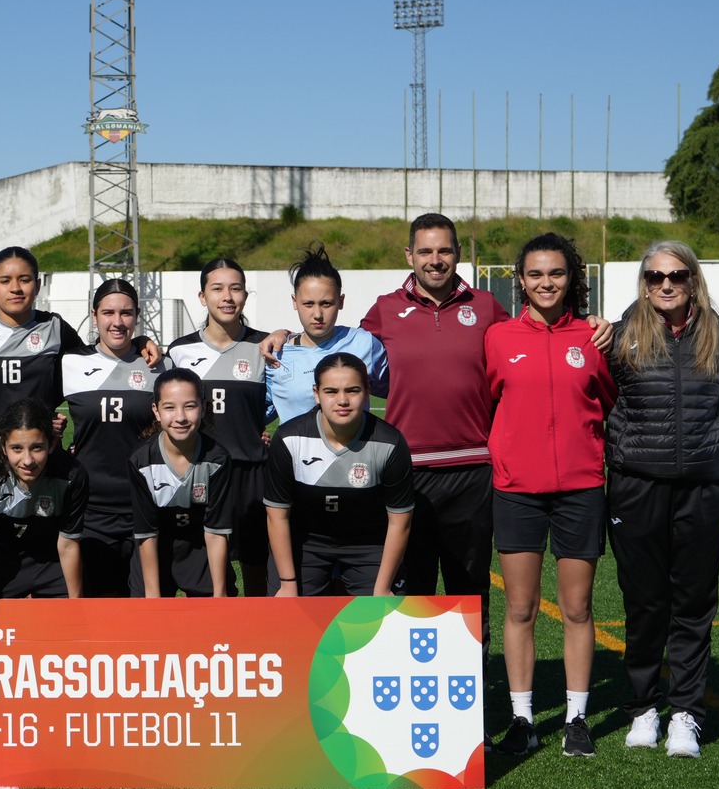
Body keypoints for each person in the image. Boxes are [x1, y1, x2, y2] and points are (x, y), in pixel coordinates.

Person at [485, 233, 615, 759]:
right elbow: (489, 398)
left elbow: (606, 399)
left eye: (556, 274)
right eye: (535, 274)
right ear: (520, 279)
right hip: (516, 490)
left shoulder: (595, 337)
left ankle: (577, 717)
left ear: (571, 279)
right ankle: (522, 719)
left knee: (578, 608)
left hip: (582, 489)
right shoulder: (497, 337)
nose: (546, 283)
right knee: (520, 609)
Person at [606, 242, 719, 760]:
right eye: (655, 275)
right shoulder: (617, 337)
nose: (666, 283)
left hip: (703, 488)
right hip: (637, 485)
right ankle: (643, 707)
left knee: (694, 603)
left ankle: (686, 713)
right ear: (643, 282)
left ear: (692, 279)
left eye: (677, 275)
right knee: (644, 603)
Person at [359, 216, 509, 603]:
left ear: (458, 253)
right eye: (425, 250)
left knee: (470, 591)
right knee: (413, 591)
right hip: (408, 471)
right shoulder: (385, 309)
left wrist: (588, 321)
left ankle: (477, 666)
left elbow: (528, 339)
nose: (435, 259)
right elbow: (338, 349)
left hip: (473, 470)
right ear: (410, 255)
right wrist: (285, 336)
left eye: (444, 250)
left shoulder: (487, 305)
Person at [0, 246, 158, 481]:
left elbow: (96, 354)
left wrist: (138, 342)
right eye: (5, 281)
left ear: (38, 284)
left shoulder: (55, 328)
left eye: (24, 279)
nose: (15, 288)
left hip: (41, 455)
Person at [265, 352, 414, 598]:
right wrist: (288, 582)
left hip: (369, 545)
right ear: (316, 393)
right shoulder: (289, 438)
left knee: (381, 622)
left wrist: (383, 588)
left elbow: (400, 521)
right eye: (331, 391)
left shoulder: (390, 442)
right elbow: (277, 516)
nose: (342, 400)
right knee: (289, 625)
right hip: (306, 543)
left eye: (352, 390)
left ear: (367, 391)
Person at [167, 258, 274, 594]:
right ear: (202, 297)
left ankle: (257, 640)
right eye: (217, 288)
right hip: (199, 473)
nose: (227, 296)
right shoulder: (180, 350)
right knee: (204, 571)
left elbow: (282, 400)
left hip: (251, 473)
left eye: (236, 288)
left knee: (257, 566)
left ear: (245, 295)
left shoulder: (266, 346)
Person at [62, 278, 158, 595]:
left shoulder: (158, 365)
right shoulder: (70, 363)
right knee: (96, 611)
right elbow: (30, 410)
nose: (117, 322)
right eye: (108, 313)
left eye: (126, 313)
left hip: (144, 505)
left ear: (138, 315)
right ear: (94, 315)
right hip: (89, 507)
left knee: (144, 611)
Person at [0, 398, 89, 599]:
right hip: (2, 557)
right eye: (17, 448)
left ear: (52, 443)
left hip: (51, 560)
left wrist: (75, 606)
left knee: (67, 623)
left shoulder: (72, 476)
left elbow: (68, 545)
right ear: (3, 446)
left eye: (37, 448)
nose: (28, 460)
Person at [130, 368, 237, 597]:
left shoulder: (217, 459)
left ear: (204, 407)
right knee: (149, 624)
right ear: (156, 411)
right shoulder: (141, 461)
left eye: (190, 406)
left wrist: (220, 594)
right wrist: (152, 595)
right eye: (169, 407)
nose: (180, 417)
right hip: (156, 551)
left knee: (213, 624)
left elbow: (216, 532)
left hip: (201, 550)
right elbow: (146, 533)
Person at [261, 245, 389, 425]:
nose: (318, 314)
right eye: (308, 304)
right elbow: (257, 413)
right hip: (294, 453)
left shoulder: (364, 343)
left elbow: (400, 391)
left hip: (356, 453)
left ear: (341, 301)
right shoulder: (275, 354)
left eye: (326, 303)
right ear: (294, 302)